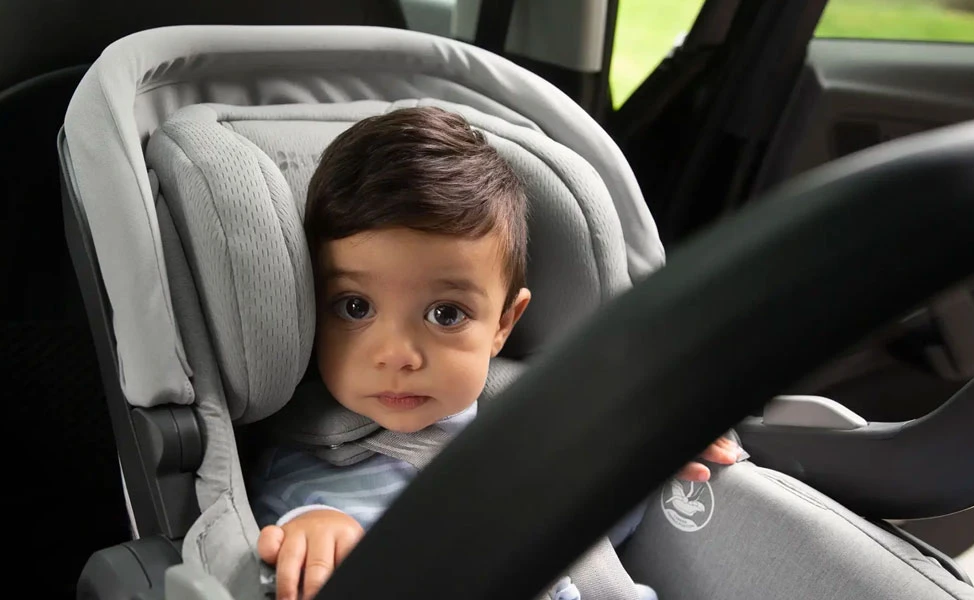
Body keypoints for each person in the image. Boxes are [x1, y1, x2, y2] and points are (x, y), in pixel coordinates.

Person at [248, 106, 740, 600]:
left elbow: (601, 539)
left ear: (504, 323)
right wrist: (310, 530)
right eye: (354, 307)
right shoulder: (305, 474)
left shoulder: (546, 432)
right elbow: (285, 528)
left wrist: (656, 450)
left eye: (445, 314)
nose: (397, 355)